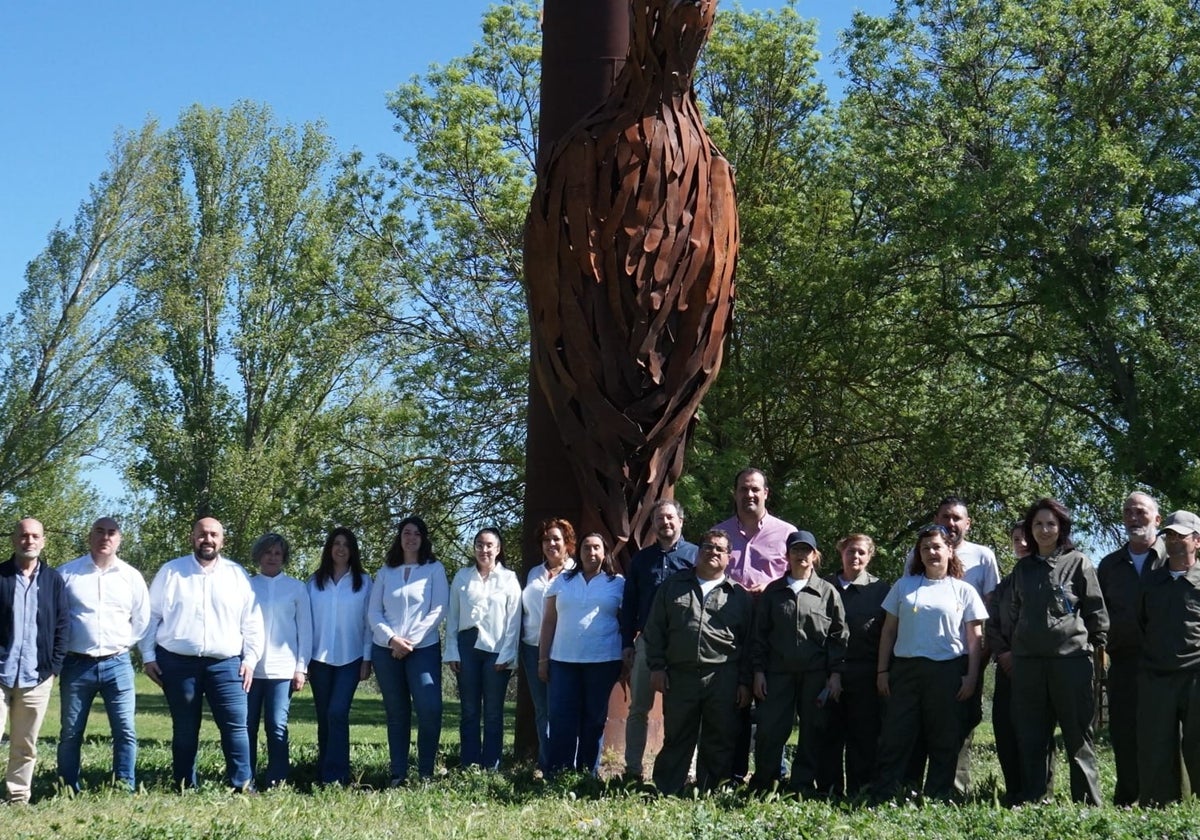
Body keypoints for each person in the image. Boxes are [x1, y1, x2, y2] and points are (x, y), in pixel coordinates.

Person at [141, 517, 264, 792]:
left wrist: (251, 659)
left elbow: (252, 620)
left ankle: (242, 784)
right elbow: (151, 616)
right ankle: (184, 785)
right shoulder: (171, 572)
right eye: (201, 534)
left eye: (213, 535)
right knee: (185, 729)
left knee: (236, 728)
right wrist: (148, 655)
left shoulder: (236, 574)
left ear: (222, 540)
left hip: (227, 664)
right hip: (177, 663)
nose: (207, 540)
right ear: (192, 537)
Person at [871, 524, 987, 802]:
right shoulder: (903, 586)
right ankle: (889, 792)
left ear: (949, 550)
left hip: (946, 672)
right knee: (897, 734)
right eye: (925, 548)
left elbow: (975, 639)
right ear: (918, 554)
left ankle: (938, 795)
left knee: (944, 737)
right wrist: (882, 670)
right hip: (905, 671)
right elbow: (888, 631)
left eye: (937, 547)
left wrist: (972, 676)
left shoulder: (964, 591)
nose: (932, 552)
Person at [1008, 497, 1108, 804]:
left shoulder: (1079, 562)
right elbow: (1014, 612)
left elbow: (1096, 613)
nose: (1044, 529)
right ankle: (1036, 799)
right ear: (1030, 529)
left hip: (1071, 662)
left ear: (1061, 527)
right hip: (1029, 665)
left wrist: (1101, 654)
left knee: (1078, 735)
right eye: (1037, 524)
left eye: (1050, 523)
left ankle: (1087, 802)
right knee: (1033, 736)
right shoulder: (1022, 568)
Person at [644, 529, 752, 794]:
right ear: (698, 551)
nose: (712, 552)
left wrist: (744, 682)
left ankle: (710, 791)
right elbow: (655, 628)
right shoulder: (673, 585)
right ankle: (666, 789)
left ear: (729, 557)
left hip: (723, 676)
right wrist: (657, 666)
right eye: (707, 547)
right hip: (680, 675)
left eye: (719, 549)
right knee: (677, 735)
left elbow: (750, 643)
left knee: (719, 737)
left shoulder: (739, 595)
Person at [712, 467, 797, 780]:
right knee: (733, 701)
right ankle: (731, 773)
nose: (749, 495)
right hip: (728, 630)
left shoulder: (787, 533)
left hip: (772, 629)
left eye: (755, 489)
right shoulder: (719, 535)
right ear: (735, 493)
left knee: (770, 702)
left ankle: (773, 772)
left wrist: (770, 586)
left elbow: (797, 576)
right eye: (743, 489)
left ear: (766, 494)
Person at [57, 516, 149, 793]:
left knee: (125, 731)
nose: (105, 537)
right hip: (76, 664)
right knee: (71, 732)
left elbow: (142, 619)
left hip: (117, 663)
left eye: (111, 533)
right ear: (90, 536)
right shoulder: (67, 574)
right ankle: (67, 785)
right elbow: (58, 620)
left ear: (119, 539)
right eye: (99, 531)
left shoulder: (131, 577)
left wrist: (123, 645)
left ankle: (124, 785)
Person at [751, 530, 848, 794]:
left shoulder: (828, 592)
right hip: (777, 674)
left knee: (813, 732)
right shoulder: (773, 592)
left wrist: (835, 674)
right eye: (795, 550)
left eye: (806, 550)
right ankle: (765, 785)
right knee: (770, 730)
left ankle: (801, 786)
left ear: (815, 556)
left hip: (815, 675)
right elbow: (759, 636)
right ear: (787, 555)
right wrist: (758, 672)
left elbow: (839, 636)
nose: (801, 555)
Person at [620, 499, 697, 779]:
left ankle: (684, 772)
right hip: (646, 642)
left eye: (669, 518)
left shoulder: (696, 557)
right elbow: (629, 603)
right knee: (638, 708)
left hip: (681, 645)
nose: (664, 523)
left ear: (680, 521)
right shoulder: (642, 559)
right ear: (653, 525)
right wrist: (627, 643)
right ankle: (632, 770)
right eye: (659, 520)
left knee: (681, 712)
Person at [370, 515, 449, 785]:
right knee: (397, 713)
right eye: (406, 532)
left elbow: (438, 609)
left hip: (423, 649)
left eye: (416, 533)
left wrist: (410, 642)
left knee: (430, 709)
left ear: (423, 538)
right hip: (386, 651)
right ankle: (398, 773)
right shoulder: (385, 572)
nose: (411, 537)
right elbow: (373, 612)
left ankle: (425, 772)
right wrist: (392, 639)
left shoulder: (434, 569)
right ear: (400, 537)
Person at [1098, 491, 1165, 805]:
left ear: (1157, 519)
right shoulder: (1110, 565)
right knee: (1123, 732)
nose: (1134, 518)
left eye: (1140, 512)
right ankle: (1127, 796)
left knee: (1164, 732)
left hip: (1166, 662)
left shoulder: (1172, 559)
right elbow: (1097, 616)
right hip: (1123, 660)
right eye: (1128, 512)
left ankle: (1165, 796)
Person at [538, 532, 624, 775]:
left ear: (605, 552)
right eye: (587, 547)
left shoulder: (617, 583)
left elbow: (626, 623)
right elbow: (548, 622)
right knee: (561, 719)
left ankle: (588, 773)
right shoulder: (562, 581)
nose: (591, 552)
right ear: (579, 552)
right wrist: (543, 659)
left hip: (603, 661)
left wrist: (628, 657)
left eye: (597, 547)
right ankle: (558, 772)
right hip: (563, 661)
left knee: (593, 720)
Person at [985, 519, 1053, 805]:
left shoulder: (1049, 577)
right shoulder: (1004, 586)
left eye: (1026, 538)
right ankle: (1013, 790)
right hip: (1009, 668)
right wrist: (1004, 654)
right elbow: (992, 624)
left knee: (1037, 732)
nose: (1022, 543)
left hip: (1040, 667)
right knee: (1005, 728)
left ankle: (1038, 792)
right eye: (1016, 539)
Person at [817, 533, 889, 797]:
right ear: (841, 553)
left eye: (861, 552)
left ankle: (862, 790)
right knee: (829, 734)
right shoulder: (824, 586)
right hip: (828, 672)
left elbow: (888, 634)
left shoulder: (881, 590)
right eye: (850, 551)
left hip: (865, 673)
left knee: (864, 735)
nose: (855, 557)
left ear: (870, 556)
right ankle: (829, 790)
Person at [0, 518, 67, 803]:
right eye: (23, 535)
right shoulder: (1, 576)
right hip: (1, 673)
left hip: (36, 676)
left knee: (25, 744)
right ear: (14, 540)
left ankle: (17, 797)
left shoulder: (53, 580)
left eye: (35, 536)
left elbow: (63, 625)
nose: (29, 541)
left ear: (43, 541)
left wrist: (54, 667)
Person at [1136, 510, 1200, 806]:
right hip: (1157, 675)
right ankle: (1160, 808)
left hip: (1196, 675)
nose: (1173, 541)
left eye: (1181, 536)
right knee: (1157, 747)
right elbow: (1141, 624)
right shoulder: (1151, 582)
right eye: (1169, 535)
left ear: (1197, 541)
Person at [445, 527, 521, 771]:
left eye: (489, 545)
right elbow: (452, 618)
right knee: (469, 709)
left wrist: (507, 654)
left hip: (497, 649)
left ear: (498, 549)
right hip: (467, 646)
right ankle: (469, 764)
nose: (484, 549)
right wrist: (452, 652)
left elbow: (514, 621)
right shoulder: (462, 577)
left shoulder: (509, 579)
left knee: (493, 711)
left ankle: (491, 765)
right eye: (479, 544)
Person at [306, 526, 372, 786]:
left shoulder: (365, 582)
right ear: (329, 548)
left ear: (353, 550)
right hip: (318, 658)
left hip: (351, 658)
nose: (341, 548)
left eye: (346, 544)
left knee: (337, 712)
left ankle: (337, 776)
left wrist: (367, 658)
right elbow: (306, 624)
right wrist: (303, 661)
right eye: (336, 543)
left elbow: (369, 623)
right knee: (324, 715)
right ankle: (323, 770)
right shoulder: (313, 582)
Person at [247, 533, 311, 788]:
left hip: (283, 670)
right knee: (246, 726)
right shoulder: (247, 585)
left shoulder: (296, 588)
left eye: (277, 553)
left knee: (276, 725)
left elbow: (305, 630)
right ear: (259, 556)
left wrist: (301, 668)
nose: (272, 557)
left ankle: (277, 779)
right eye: (267, 552)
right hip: (250, 669)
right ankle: (245, 777)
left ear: (284, 557)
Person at [519, 518, 575, 770]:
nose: (551, 544)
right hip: (532, 647)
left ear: (567, 544)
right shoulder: (534, 572)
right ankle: (546, 764)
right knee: (542, 710)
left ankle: (566, 764)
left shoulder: (576, 573)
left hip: (563, 650)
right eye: (546, 540)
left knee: (562, 709)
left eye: (556, 539)